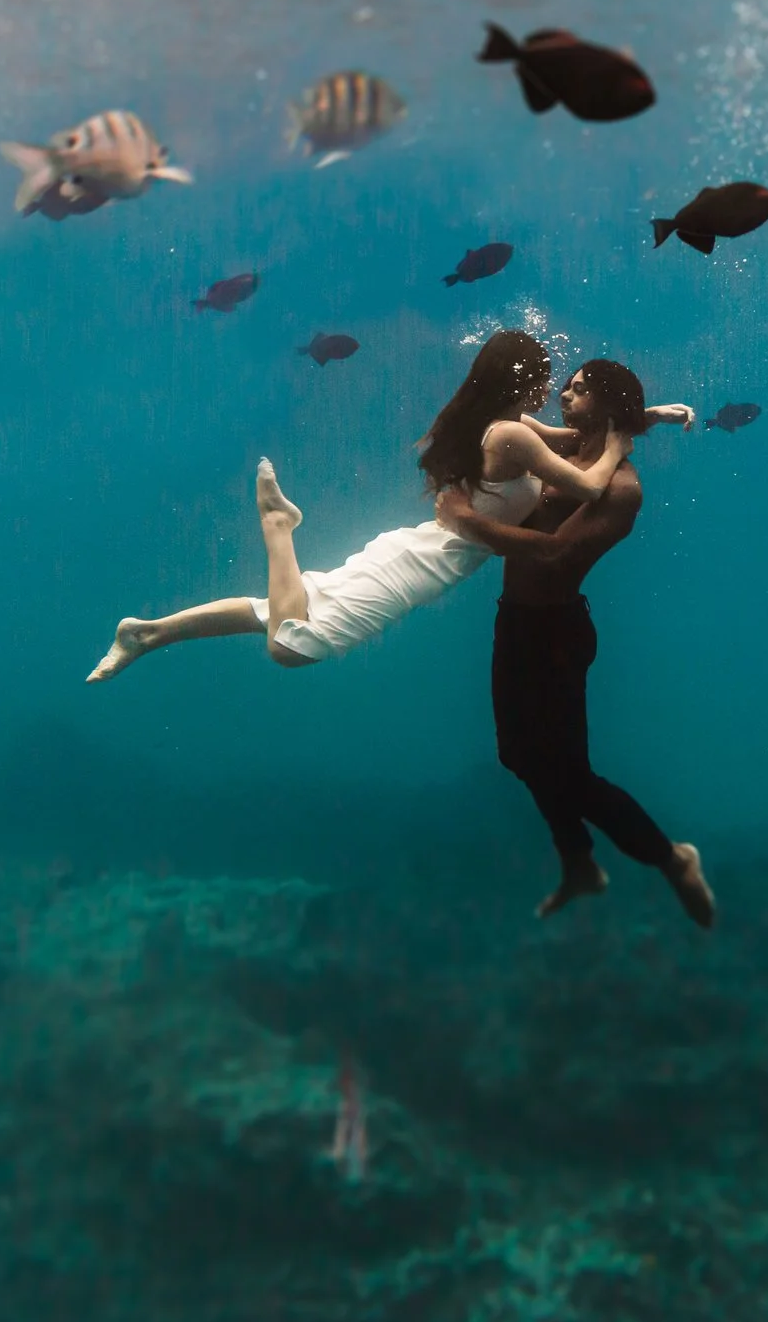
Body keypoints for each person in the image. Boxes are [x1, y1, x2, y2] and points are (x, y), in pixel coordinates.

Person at [85, 331, 681, 678]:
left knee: (283, 606)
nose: (553, 392)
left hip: (423, 547)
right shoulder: (515, 434)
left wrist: (639, 415)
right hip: (426, 562)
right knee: (293, 645)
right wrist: (624, 440)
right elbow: (588, 483)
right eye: (549, 380)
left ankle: (150, 634)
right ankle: (278, 526)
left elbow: (579, 441)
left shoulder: (509, 426)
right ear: (519, 383)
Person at [438, 359, 716, 929]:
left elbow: (554, 554)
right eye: (567, 383)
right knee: (518, 756)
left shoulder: (621, 487)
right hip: (514, 621)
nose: (565, 392)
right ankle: (580, 865)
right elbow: (532, 426)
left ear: (608, 406)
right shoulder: (573, 453)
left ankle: (671, 858)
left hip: (556, 635)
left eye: (581, 389)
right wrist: (649, 416)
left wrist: (465, 521)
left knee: (570, 775)